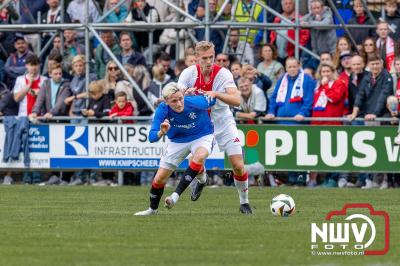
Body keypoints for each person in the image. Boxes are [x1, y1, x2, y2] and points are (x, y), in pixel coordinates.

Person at [178, 41, 253, 214]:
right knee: (194, 163)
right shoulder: (188, 74)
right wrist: (184, 94)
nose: (209, 61)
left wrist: (217, 94)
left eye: (211, 57)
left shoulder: (223, 73)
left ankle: (244, 202)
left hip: (223, 122)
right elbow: (176, 96)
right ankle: (203, 180)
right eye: (204, 58)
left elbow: (236, 100)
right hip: (201, 125)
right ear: (197, 58)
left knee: (238, 164)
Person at [134, 82, 216, 215]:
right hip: (177, 141)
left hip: (202, 135)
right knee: (159, 179)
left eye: (180, 98)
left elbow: (213, 99)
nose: (179, 103)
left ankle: (175, 196)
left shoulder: (194, 101)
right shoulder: (162, 110)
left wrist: (201, 92)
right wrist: (161, 132)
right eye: (174, 101)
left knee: (199, 157)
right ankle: (152, 210)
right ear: (166, 101)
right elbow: (151, 137)